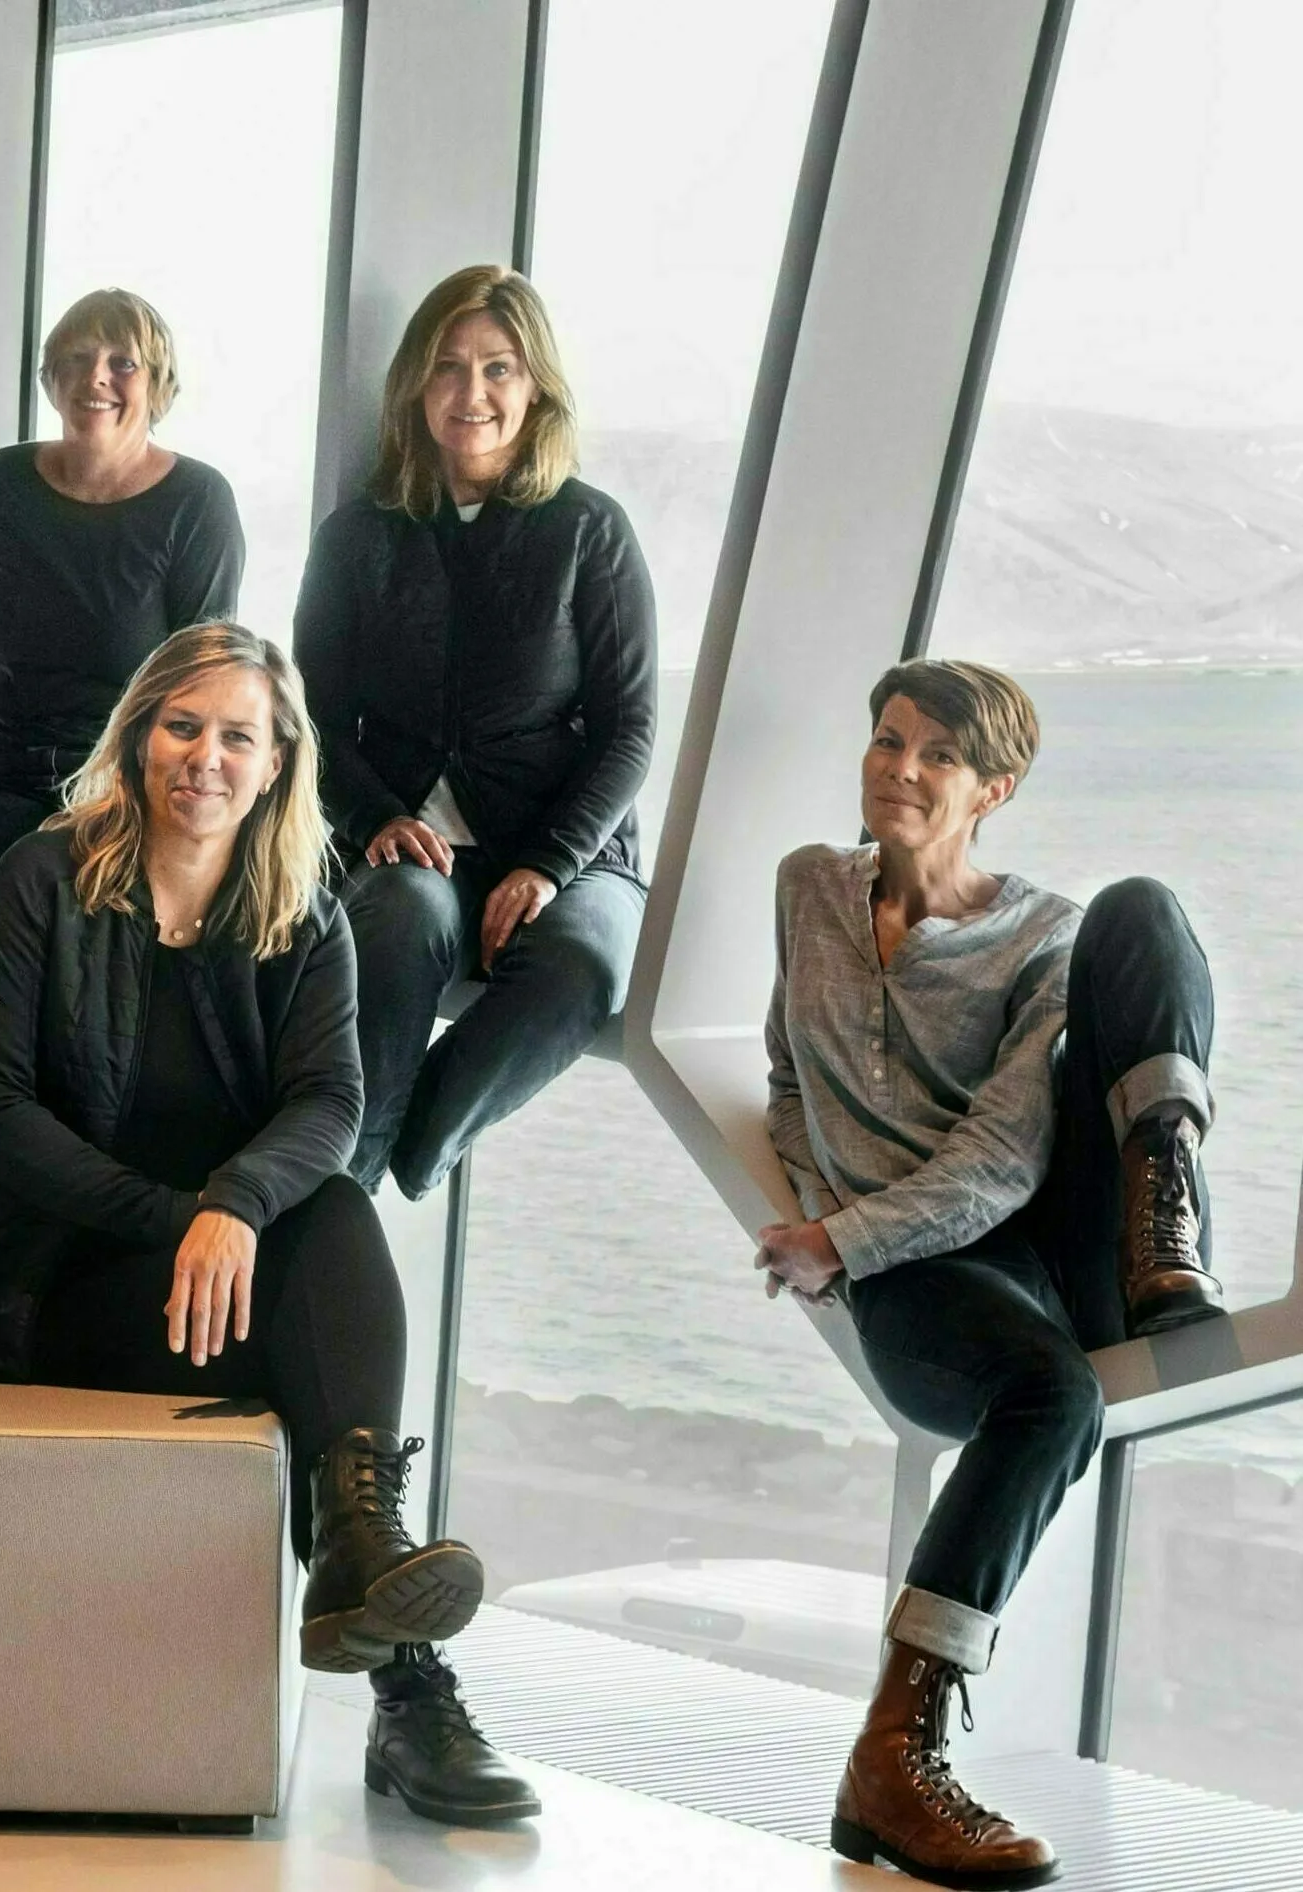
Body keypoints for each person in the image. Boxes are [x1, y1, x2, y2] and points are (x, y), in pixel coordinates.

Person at [0, 621, 539, 1828]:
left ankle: (363, 1552)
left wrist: (235, 1204)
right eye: (180, 725)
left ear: (276, 762)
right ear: (136, 735)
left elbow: (331, 1103)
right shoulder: (42, 878)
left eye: (236, 736)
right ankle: (402, 1678)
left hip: (223, 1264)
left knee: (324, 1207)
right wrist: (187, 1218)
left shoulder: (301, 909)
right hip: (61, 1282)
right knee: (303, 1312)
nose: (203, 757)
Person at [761, 658, 1226, 1890]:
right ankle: (893, 1756)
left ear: (993, 788)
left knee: (1141, 910)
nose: (897, 768)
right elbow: (784, 1075)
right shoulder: (805, 888)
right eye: (886, 738)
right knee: (1052, 1396)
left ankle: (1160, 1218)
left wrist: (839, 1238)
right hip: (918, 1276)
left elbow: (1005, 1153)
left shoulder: (1038, 933)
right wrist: (830, 1203)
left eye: (935, 756)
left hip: (1029, 1233)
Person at [296, 263, 652, 1200]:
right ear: (416, 383)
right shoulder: (356, 538)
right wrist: (374, 819)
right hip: (410, 851)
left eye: (499, 368)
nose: (473, 394)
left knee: (580, 965)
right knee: (397, 918)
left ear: (535, 385)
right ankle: (345, 1195)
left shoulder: (591, 532)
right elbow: (315, 721)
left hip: (570, 853)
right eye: (449, 367)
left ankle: (415, 1147)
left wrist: (548, 865)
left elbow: (630, 730)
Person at [0, 288, 244, 924]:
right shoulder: (2, 483)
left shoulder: (198, 500)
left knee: (94, 990)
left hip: (130, 791)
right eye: (74, 359)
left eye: (122, 362)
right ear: (50, 380)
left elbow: (205, 688)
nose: (95, 376)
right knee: (3, 992)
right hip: (4, 781)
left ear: (157, 384)